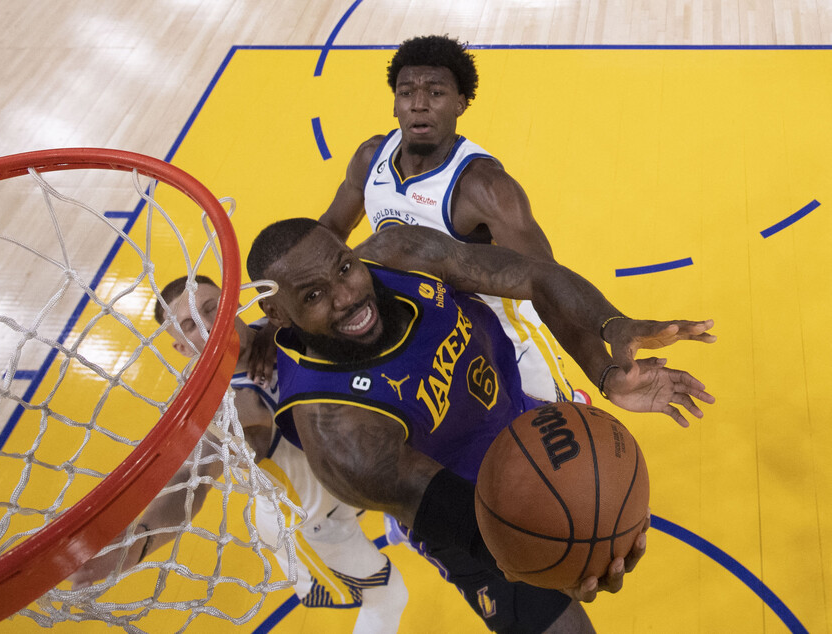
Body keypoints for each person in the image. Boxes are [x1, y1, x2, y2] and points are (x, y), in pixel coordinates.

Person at [246, 218, 715, 633]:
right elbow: (477, 526)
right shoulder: (336, 429)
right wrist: (563, 559)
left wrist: (608, 338)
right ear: (278, 314)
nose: (347, 296)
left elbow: (535, 275)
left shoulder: (400, 255)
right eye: (313, 295)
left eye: (345, 268)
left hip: (523, 426)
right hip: (472, 508)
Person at [67, 275, 408, 633]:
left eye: (211, 307)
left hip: (344, 479)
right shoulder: (219, 409)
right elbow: (190, 482)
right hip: (310, 523)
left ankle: (393, 515)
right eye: (189, 325)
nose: (208, 324)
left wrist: (271, 330)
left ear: (233, 302)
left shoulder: (277, 324)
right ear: (182, 348)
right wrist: (138, 544)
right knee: (388, 595)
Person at [317, 34, 583, 405]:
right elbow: (330, 229)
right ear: (395, 104)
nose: (419, 105)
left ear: (461, 103)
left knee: (557, 441)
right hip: (425, 333)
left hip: (503, 338)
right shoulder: (370, 159)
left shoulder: (484, 187)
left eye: (436, 93)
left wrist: (604, 364)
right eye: (407, 92)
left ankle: (572, 402)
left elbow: (550, 280)